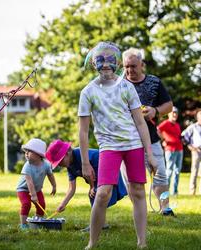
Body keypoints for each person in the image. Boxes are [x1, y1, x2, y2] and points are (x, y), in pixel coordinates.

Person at [79, 41, 157, 249]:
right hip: (109, 148)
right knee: (103, 193)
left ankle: (142, 243)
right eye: (100, 60)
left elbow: (140, 122)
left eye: (110, 60)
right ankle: (92, 243)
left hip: (133, 145)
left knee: (138, 190)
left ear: (117, 63)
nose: (105, 64)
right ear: (94, 64)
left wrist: (150, 154)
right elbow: (83, 131)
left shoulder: (126, 87)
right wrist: (85, 163)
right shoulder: (88, 92)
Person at [122, 48, 174, 216]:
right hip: (125, 140)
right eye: (126, 66)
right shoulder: (118, 83)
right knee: (131, 180)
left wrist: (155, 111)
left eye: (133, 66)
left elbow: (169, 105)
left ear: (142, 65)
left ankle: (165, 208)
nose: (130, 70)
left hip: (150, 139)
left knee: (160, 174)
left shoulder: (154, 82)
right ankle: (139, 210)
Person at [45, 139, 127, 231]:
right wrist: (63, 204)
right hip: (95, 176)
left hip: (105, 165)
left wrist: (92, 187)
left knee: (96, 194)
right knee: (95, 195)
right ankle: (101, 224)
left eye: (60, 162)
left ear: (67, 154)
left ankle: (96, 225)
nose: (59, 165)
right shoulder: (70, 166)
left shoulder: (80, 155)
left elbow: (90, 172)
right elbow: (71, 188)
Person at [16, 138, 56, 229]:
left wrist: (54, 186)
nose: (26, 153)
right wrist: (33, 195)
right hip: (23, 189)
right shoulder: (27, 166)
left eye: (29, 151)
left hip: (37, 189)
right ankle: (23, 224)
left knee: (41, 204)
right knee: (26, 204)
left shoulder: (46, 165)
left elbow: (50, 175)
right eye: (26, 151)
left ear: (38, 155)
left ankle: (37, 221)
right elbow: (29, 182)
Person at [157, 106, 183, 195]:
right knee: (169, 170)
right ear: (169, 114)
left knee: (177, 171)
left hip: (179, 149)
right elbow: (157, 130)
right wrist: (163, 140)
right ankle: (166, 191)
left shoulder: (177, 125)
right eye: (173, 112)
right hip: (170, 150)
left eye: (176, 113)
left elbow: (178, 136)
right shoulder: (165, 123)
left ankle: (175, 191)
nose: (175, 114)